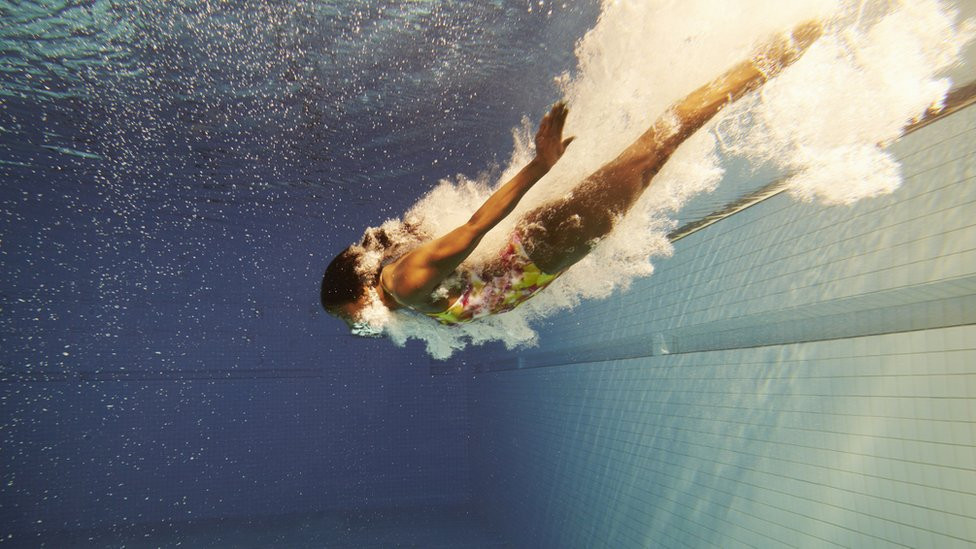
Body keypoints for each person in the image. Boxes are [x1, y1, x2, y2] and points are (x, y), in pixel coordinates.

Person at [321, 22, 822, 337]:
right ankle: (765, 56)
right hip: (550, 244)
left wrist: (541, 165)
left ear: (360, 291)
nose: (358, 327)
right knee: (656, 149)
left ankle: (775, 51)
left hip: (553, 239)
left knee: (658, 144)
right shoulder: (407, 296)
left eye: (350, 318)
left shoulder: (401, 283)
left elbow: (474, 230)